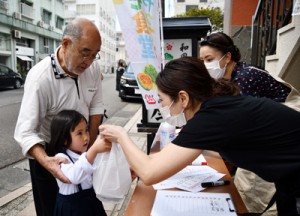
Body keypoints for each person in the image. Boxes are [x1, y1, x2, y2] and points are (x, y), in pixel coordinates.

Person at [99, 57, 300, 216]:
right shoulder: (217, 105)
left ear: (183, 98)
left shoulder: (211, 117)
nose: (161, 107)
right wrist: (139, 163)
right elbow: (167, 157)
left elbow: (151, 174)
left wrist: (121, 135)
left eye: (162, 100)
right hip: (288, 177)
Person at [14, 18, 104, 216]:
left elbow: (96, 106)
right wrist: (48, 163)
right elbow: (26, 132)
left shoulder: (93, 69)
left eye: (95, 55)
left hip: (82, 148)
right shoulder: (40, 78)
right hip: (52, 154)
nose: (89, 62)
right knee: (51, 209)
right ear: (66, 44)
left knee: (86, 205)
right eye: (85, 53)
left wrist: (92, 144)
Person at [199, 32, 293, 215]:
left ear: (227, 57)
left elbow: (237, 124)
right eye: (202, 60)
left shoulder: (245, 77)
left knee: (255, 183)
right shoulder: (225, 78)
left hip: (279, 133)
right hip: (263, 131)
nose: (205, 65)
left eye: (208, 59)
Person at [47, 110, 110, 216]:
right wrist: (93, 150)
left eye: (86, 130)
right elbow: (74, 177)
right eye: (79, 133)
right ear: (65, 140)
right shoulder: (61, 158)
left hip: (91, 204)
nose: (86, 137)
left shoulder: (85, 155)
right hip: (72, 209)